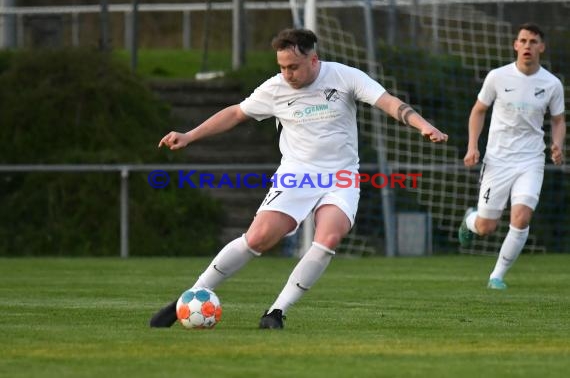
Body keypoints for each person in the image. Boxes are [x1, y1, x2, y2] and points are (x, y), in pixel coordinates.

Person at [151, 28, 448, 329]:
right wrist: (189, 135)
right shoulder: (275, 88)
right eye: (282, 67)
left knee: (329, 237)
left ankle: (276, 312)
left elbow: (388, 102)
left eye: (293, 67)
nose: (287, 74)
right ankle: (189, 298)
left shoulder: (344, 77)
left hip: (341, 177)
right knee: (257, 239)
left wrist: (422, 126)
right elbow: (235, 114)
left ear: (314, 60)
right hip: (297, 175)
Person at [458, 23, 566, 290]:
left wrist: (557, 144)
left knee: (521, 218)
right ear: (515, 45)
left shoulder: (552, 84)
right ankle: (469, 221)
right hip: (497, 160)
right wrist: (473, 146)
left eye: (533, 41)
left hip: (530, 160)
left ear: (541, 47)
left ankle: (497, 276)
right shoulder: (497, 77)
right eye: (523, 40)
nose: (527, 45)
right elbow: (478, 110)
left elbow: (558, 119)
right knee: (486, 227)